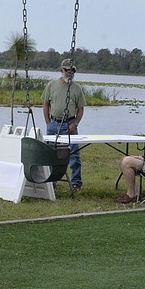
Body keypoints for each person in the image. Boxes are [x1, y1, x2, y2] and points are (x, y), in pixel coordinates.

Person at [42, 58, 86, 190]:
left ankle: (76, 182)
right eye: (67, 70)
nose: (70, 73)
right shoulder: (51, 85)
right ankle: (51, 181)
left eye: (72, 70)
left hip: (70, 124)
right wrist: (48, 123)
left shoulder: (77, 88)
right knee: (51, 154)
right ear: (61, 70)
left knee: (74, 154)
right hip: (54, 123)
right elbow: (45, 104)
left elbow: (81, 108)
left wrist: (75, 124)